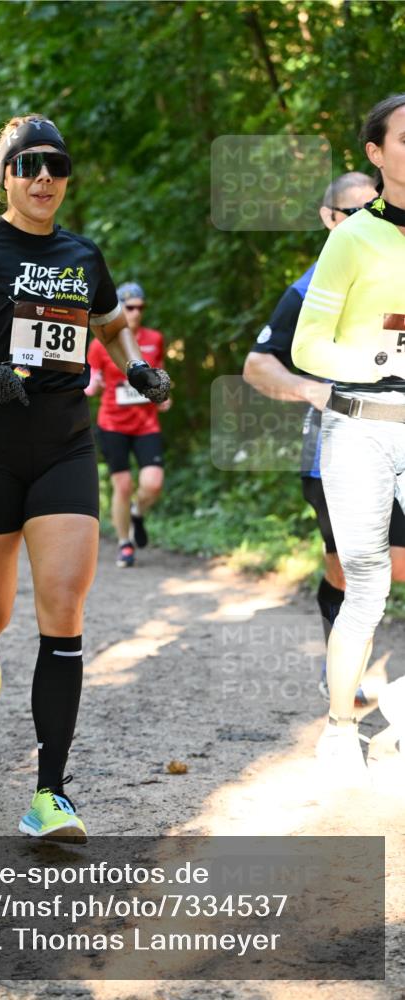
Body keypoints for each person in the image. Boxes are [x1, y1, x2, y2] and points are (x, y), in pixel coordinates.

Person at [0, 114, 170, 841]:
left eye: (55, 163)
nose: (43, 176)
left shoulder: (84, 254)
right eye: (28, 165)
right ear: (5, 175)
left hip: (64, 444)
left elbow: (109, 323)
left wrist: (135, 366)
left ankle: (50, 793)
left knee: (63, 605)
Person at [243, 172, 405, 705]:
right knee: (346, 568)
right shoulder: (310, 286)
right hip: (337, 446)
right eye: (352, 211)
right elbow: (256, 365)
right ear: (329, 219)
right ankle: (341, 672)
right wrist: (309, 389)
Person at [291, 93, 405, 786]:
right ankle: (339, 729)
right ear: (375, 153)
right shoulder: (352, 238)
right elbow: (308, 343)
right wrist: (375, 364)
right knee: (365, 584)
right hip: (361, 428)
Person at [86, 282, 171, 567]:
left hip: (146, 423)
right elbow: (90, 381)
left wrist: (162, 396)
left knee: (153, 484)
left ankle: (138, 512)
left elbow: (157, 375)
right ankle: (125, 543)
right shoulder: (99, 344)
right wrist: (92, 385)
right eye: (130, 307)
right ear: (119, 308)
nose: (136, 312)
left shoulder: (154, 339)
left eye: (140, 307)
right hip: (112, 424)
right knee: (121, 486)